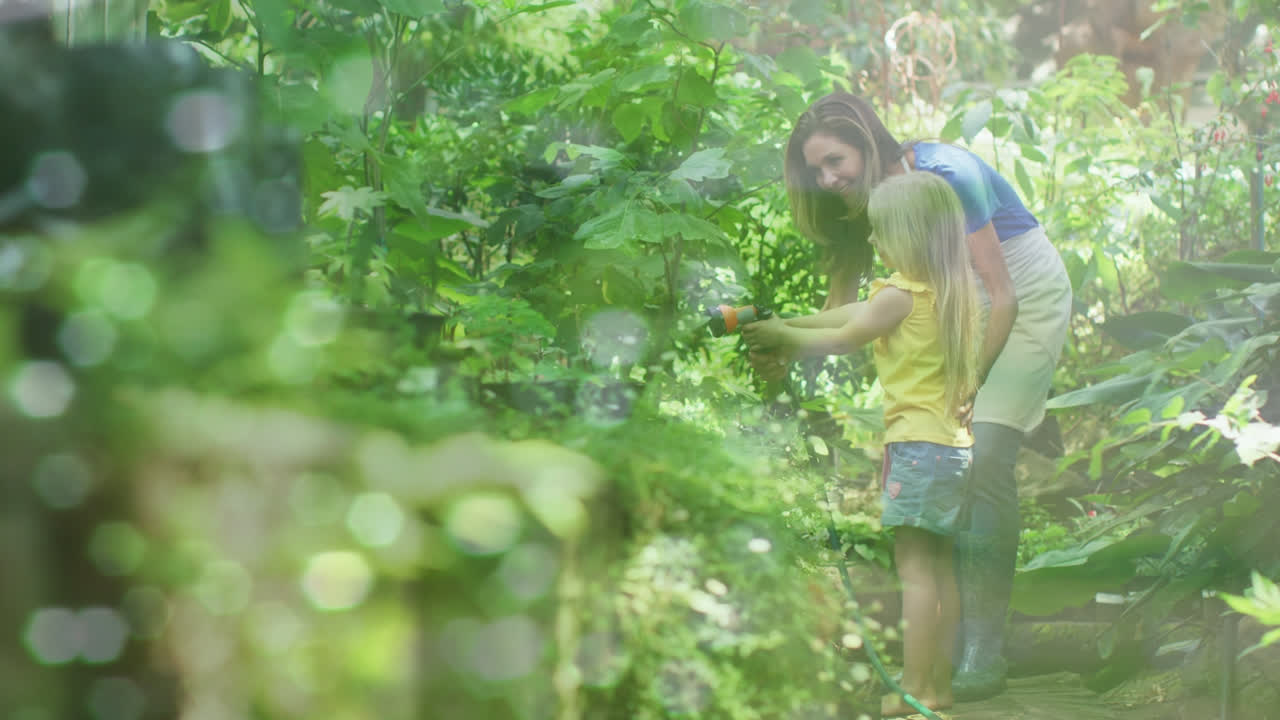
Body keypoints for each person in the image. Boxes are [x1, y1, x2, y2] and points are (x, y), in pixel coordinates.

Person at [754, 92, 1074, 701]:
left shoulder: (944, 174)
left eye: (835, 162)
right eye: (815, 171)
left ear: (867, 141)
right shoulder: (870, 216)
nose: (828, 179)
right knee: (952, 478)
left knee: (988, 453)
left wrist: (967, 384)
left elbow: (999, 293)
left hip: (1016, 296)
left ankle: (983, 647)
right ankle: (937, 660)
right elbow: (844, 316)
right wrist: (785, 348)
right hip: (941, 306)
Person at [744, 171, 980, 718]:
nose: (872, 241)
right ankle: (935, 684)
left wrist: (785, 341)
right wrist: (783, 322)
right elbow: (847, 314)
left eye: (880, 232)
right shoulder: (943, 293)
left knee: (916, 572)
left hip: (918, 448)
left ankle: (917, 687)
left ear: (911, 235)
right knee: (940, 571)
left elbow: (847, 336)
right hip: (951, 448)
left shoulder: (900, 296)